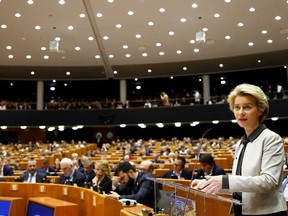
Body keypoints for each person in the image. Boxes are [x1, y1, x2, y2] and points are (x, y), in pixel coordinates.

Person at [191, 83, 287, 216]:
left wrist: (225, 181)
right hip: (241, 210)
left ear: (260, 110)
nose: (240, 112)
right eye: (237, 107)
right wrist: (209, 184)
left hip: (266, 212)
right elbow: (240, 184)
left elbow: (268, 182)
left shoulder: (271, 139)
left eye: (247, 107)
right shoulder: (241, 143)